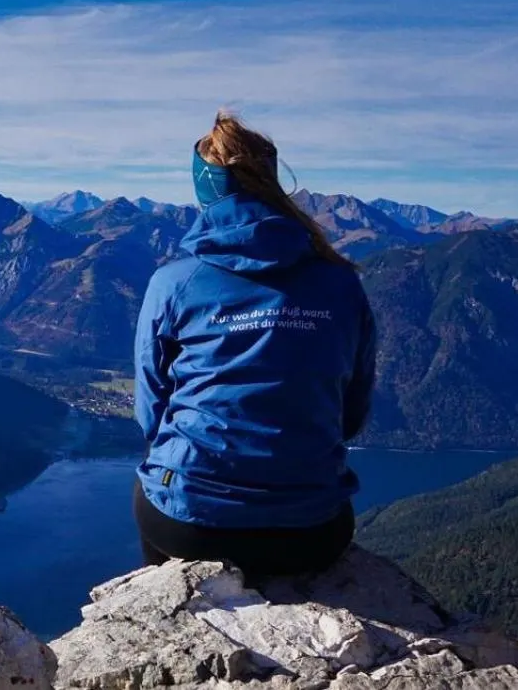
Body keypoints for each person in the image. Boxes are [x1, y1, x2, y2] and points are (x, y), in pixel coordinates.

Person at [132, 111, 376, 578]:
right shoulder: (341, 282)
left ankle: (181, 608)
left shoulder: (175, 282)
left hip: (190, 525)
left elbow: (151, 411)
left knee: (154, 485)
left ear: (204, 190)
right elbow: (352, 411)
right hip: (312, 530)